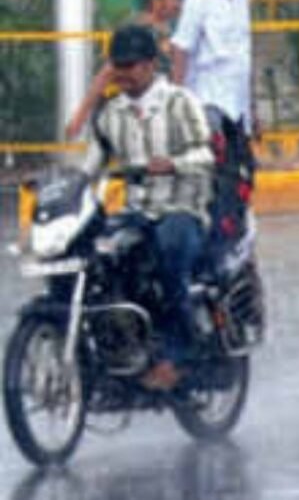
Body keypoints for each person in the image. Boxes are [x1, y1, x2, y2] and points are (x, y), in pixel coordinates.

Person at [82, 25, 215, 391]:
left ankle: (179, 351)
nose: (122, 73)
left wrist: (173, 163)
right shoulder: (109, 113)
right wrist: (67, 185)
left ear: (150, 65)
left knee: (170, 251)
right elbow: (90, 164)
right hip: (137, 212)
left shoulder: (179, 102)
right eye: (117, 65)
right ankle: (116, 346)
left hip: (181, 208)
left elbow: (206, 153)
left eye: (130, 65)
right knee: (95, 256)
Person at [64, 0, 181, 140]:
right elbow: (107, 73)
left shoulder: (171, 31)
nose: (177, 4)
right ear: (156, 1)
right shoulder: (136, 34)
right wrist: (80, 117)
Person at [171, 0, 260, 138]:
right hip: (208, 105)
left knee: (238, 169)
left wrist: (253, 109)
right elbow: (181, 49)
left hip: (238, 108)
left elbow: (243, 55)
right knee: (213, 167)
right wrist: (176, 109)